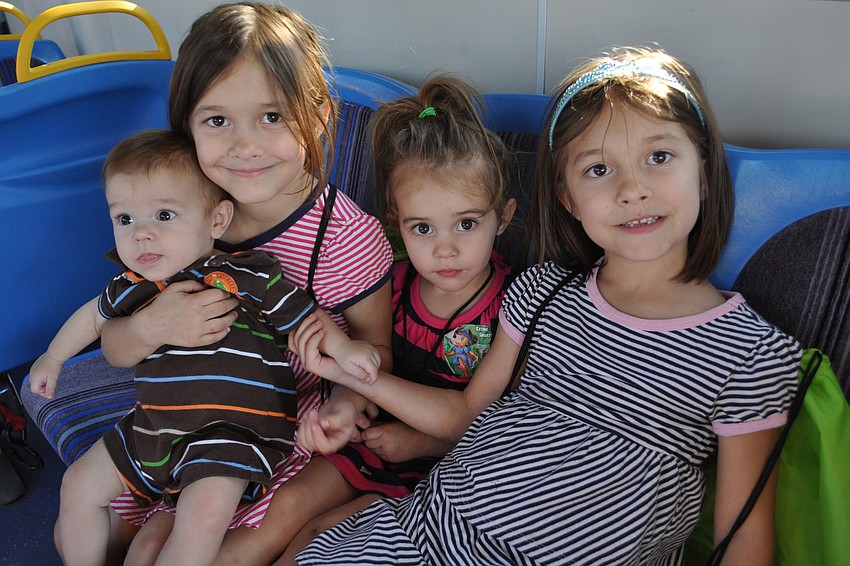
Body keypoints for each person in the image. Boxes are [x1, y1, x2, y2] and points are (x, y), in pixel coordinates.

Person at [288, 47, 802, 564]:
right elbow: (467, 415)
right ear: (567, 197)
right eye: (599, 169)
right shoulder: (540, 291)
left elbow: (744, 536)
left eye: (660, 157)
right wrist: (347, 371)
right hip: (423, 536)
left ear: (705, 173)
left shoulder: (752, 351)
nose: (633, 189)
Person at [82, 4, 394, 565]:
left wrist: (346, 404)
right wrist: (151, 326)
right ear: (187, 128)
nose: (244, 145)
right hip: (177, 413)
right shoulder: (176, 215)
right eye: (217, 120)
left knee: (185, 547)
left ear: (319, 115)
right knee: (105, 532)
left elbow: (378, 352)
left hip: (279, 426)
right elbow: (115, 346)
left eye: (272, 116)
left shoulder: (344, 239)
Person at [27, 130, 380, 566]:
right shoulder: (132, 286)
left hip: (233, 434)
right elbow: (93, 318)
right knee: (78, 486)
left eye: (164, 215)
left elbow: (302, 314)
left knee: (200, 525)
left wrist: (343, 349)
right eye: (125, 220)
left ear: (217, 220)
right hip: (153, 428)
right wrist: (54, 357)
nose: (142, 235)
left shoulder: (239, 273)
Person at [269, 75, 517, 564]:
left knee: (327, 536)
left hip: (452, 470)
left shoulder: (513, 304)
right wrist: (343, 403)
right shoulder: (391, 282)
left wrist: (421, 440)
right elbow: (366, 357)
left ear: (504, 217)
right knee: (288, 513)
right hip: (369, 441)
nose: (445, 249)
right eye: (422, 228)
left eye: (466, 224)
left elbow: (501, 420)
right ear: (395, 223)